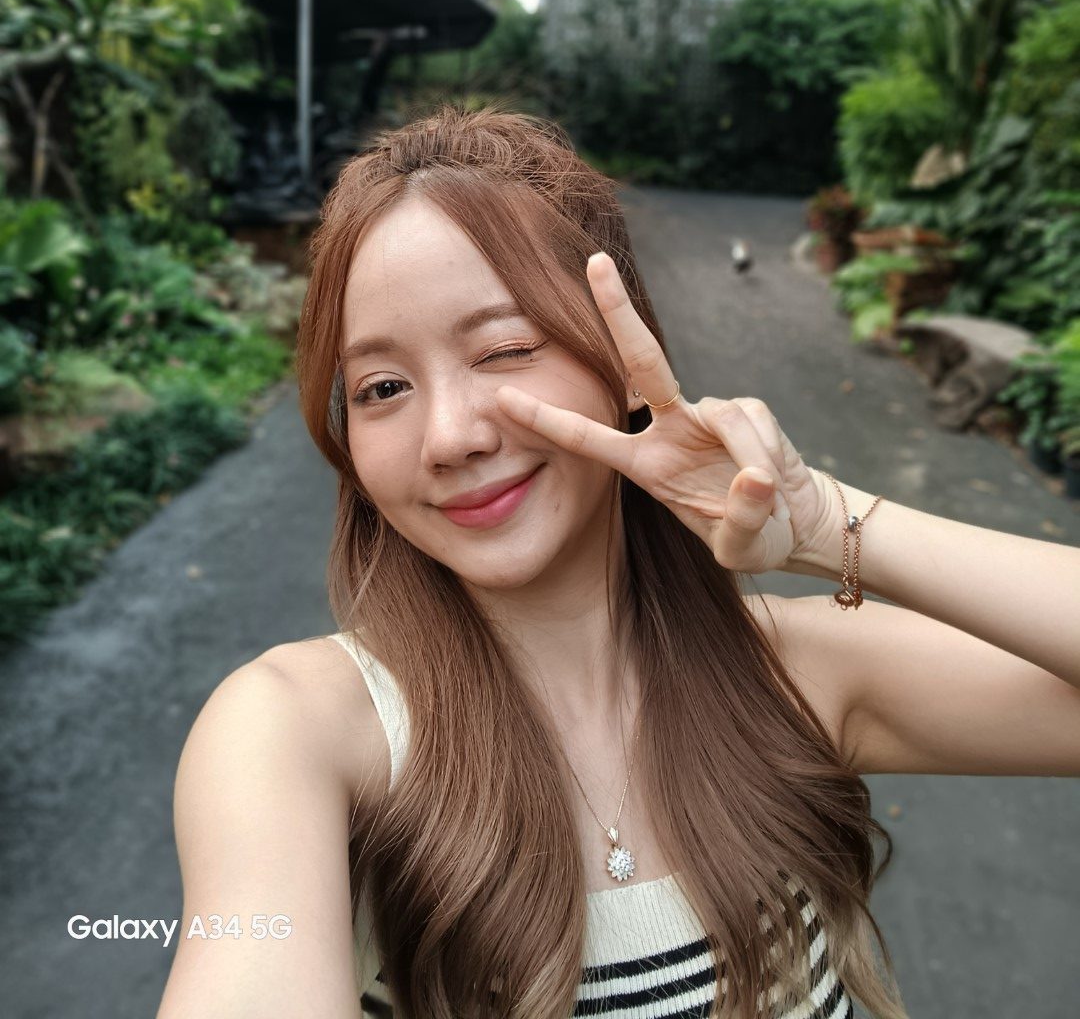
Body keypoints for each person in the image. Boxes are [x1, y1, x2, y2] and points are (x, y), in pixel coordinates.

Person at [156, 103, 1080, 1019]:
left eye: (505, 348)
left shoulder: (787, 679)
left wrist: (826, 523)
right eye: (383, 387)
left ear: (624, 363)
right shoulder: (300, 735)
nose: (449, 436)